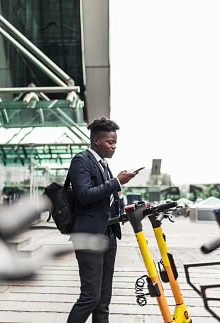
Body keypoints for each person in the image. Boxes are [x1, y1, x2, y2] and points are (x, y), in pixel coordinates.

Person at [67, 117, 138, 323]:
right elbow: (85, 195)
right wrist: (116, 181)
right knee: (90, 297)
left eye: (115, 142)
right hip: (89, 236)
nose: (114, 146)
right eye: (110, 142)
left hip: (108, 234)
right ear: (96, 141)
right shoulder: (81, 160)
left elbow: (104, 200)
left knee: (103, 300)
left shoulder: (104, 165)